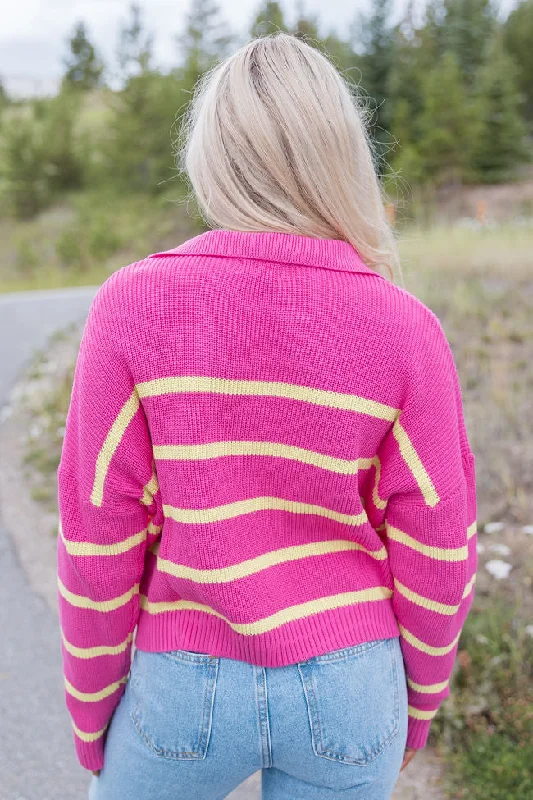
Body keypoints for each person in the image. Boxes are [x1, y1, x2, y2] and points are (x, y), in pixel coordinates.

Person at [56, 32, 478, 800]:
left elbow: (97, 527)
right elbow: (439, 545)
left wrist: (92, 710)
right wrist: (413, 707)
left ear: (211, 157)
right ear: (340, 157)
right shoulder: (404, 326)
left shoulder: (131, 304)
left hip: (183, 684)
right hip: (353, 680)